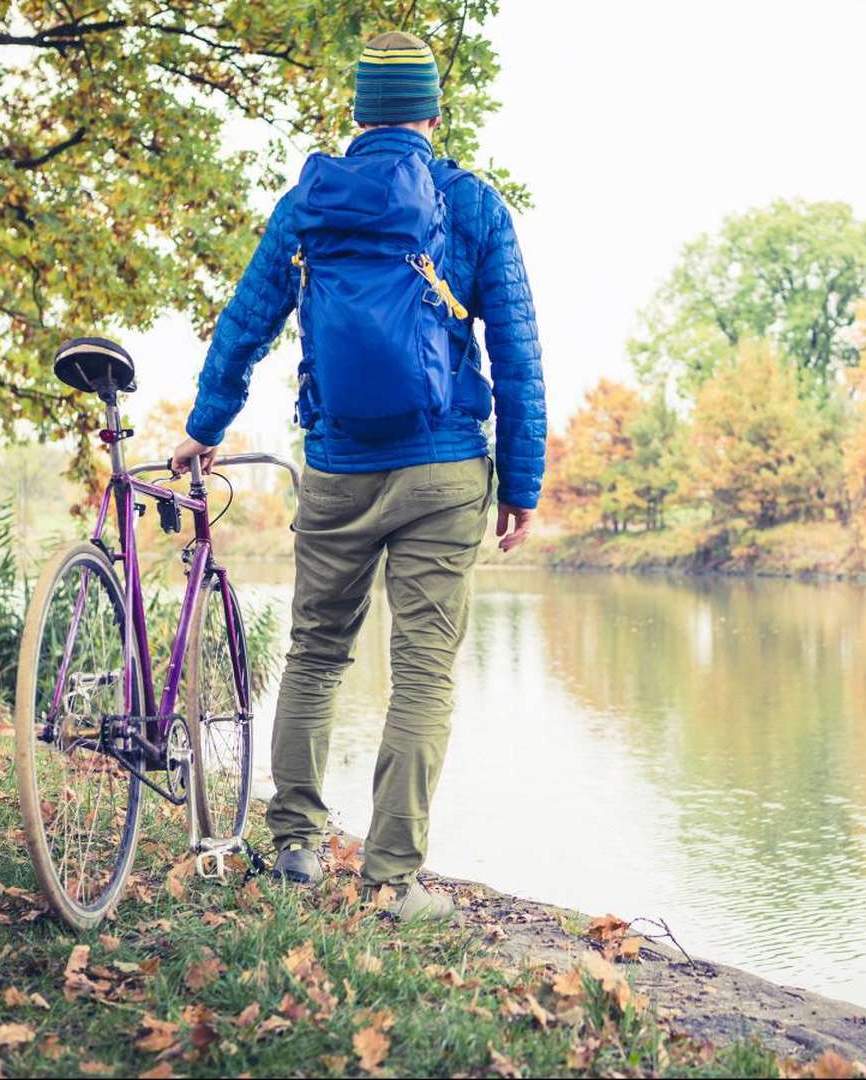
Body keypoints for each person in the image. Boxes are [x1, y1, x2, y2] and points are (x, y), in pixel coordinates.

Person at [170, 31, 544, 921]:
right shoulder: (474, 205)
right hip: (446, 469)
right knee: (422, 675)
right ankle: (391, 882)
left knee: (316, 654)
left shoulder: (311, 202)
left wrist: (203, 427)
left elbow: (248, 321)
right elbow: (518, 356)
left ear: (358, 114)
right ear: (433, 113)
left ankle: (295, 847)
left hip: (336, 467)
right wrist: (521, 482)